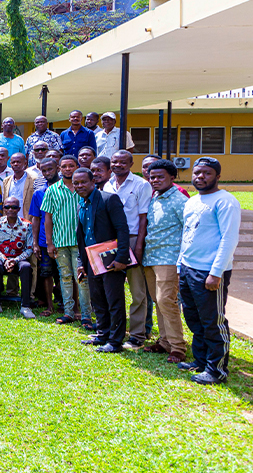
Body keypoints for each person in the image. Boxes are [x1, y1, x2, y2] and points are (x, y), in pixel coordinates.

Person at [177, 157, 242, 384]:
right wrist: (180, 265)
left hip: (209, 272)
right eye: (197, 173)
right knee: (194, 318)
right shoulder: (192, 201)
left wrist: (216, 273)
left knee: (212, 321)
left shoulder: (226, 201)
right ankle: (201, 361)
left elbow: (229, 238)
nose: (200, 177)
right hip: (188, 268)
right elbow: (186, 235)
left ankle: (217, 370)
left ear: (217, 176)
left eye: (206, 173)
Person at [73, 168, 131, 354]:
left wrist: (122, 258)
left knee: (114, 300)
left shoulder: (109, 199)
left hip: (111, 259)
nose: (79, 186)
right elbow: (82, 237)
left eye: (83, 182)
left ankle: (115, 341)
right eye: (76, 183)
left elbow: (122, 229)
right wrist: (82, 262)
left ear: (93, 182)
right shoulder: (82, 204)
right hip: (91, 259)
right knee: (97, 298)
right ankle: (102, 334)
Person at [104, 150, 152, 349]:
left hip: (132, 239)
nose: (118, 165)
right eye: (115, 161)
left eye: (123, 162)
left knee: (137, 291)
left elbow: (143, 218)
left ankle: (137, 335)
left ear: (131, 164)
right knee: (113, 289)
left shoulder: (141, 185)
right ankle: (115, 330)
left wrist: (139, 246)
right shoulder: (107, 184)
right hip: (111, 242)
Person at [141, 159, 188, 363]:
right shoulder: (154, 198)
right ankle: (164, 341)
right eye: (152, 177)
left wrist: (181, 261)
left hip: (169, 258)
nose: (155, 180)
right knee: (158, 301)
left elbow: (189, 230)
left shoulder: (180, 200)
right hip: (150, 257)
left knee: (166, 301)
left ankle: (178, 347)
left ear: (172, 177)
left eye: (160, 177)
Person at [41, 155, 93, 327]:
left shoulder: (84, 189)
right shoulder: (52, 190)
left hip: (81, 242)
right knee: (65, 277)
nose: (68, 169)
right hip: (61, 241)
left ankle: (86, 314)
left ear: (77, 167)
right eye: (64, 166)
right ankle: (69, 312)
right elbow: (47, 218)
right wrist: (49, 243)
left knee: (82, 278)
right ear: (59, 169)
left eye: (71, 166)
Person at [0, 197, 35, 318]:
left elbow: (29, 248)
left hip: (19, 257)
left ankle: (26, 306)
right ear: (3, 208)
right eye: (7, 207)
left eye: (14, 207)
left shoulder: (27, 225)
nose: (10, 209)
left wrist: (14, 260)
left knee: (26, 267)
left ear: (19, 209)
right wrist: (5, 260)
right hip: (1, 257)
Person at [28, 158, 59, 316]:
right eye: (44, 171)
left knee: (65, 274)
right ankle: (49, 305)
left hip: (64, 239)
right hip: (43, 240)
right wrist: (35, 243)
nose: (47, 173)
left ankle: (66, 304)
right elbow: (35, 218)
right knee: (46, 273)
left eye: (50, 169)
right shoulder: (39, 193)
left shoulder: (69, 190)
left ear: (57, 168)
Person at [1, 153, 35, 221]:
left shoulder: (33, 180)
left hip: (27, 221)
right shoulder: (6, 181)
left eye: (18, 162)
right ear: (10, 164)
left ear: (25, 163)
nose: (15, 164)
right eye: (13, 162)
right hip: (9, 221)